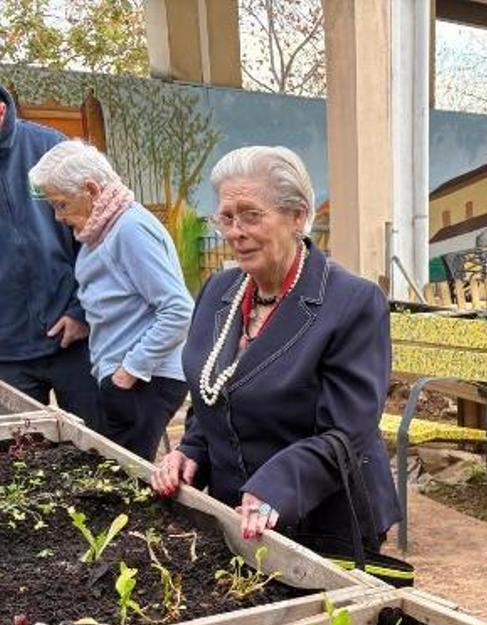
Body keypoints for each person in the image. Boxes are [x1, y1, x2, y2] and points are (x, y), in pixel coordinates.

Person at [150, 145, 400, 546]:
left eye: (251, 215)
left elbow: (347, 430)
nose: (235, 232)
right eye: (227, 217)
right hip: (238, 516)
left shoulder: (352, 302)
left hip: (327, 522)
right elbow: (211, 394)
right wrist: (191, 451)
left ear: (297, 216)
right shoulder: (218, 292)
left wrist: (276, 487)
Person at [28, 140, 191, 460]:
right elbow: (126, 302)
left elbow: (178, 309)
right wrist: (88, 324)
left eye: (61, 204)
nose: (58, 217)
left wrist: (127, 373)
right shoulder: (103, 228)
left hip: (145, 380)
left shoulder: (130, 229)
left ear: (91, 189)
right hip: (130, 379)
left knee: (125, 483)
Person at [0, 85, 101, 428]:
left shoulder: (50, 150)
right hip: (6, 355)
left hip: (76, 339)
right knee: (20, 464)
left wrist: (81, 310)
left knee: (104, 451)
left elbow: (98, 233)